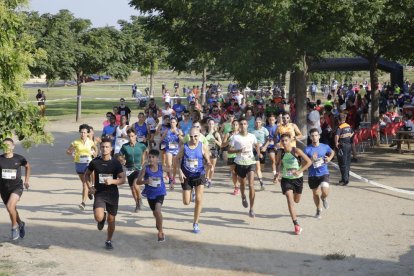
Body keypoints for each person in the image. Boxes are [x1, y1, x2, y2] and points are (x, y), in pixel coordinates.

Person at [84, 138, 126, 250]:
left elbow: (123, 179)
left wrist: (112, 181)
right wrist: (90, 187)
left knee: (111, 220)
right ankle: (101, 219)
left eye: (107, 147)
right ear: (100, 148)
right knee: (98, 217)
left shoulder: (115, 163)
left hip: (112, 194)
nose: (105, 149)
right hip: (100, 193)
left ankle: (108, 240)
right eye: (102, 147)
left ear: (111, 149)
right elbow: (86, 175)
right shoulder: (95, 162)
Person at [175, 127, 211, 233]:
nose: (193, 139)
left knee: (199, 200)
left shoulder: (202, 146)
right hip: (187, 176)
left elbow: (208, 160)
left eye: (195, 136)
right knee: (186, 202)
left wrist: (209, 164)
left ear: (199, 136)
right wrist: (179, 172)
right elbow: (176, 159)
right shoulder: (184, 147)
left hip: (199, 175)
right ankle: (191, 192)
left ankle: (196, 223)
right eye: (191, 136)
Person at [275, 133, 312, 235]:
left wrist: (300, 171)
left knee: (296, 200)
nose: (284, 142)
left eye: (286, 140)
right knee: (289, 199)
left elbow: (309, 162)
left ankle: (295, 217)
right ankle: (296, 224)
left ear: (290, 140)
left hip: (298, 179)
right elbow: (278, 164)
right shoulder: (280, 152)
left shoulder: (296, 151)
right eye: (282, 141)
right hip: (286, 179)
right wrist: (277, 173)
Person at [228, 117, 260, 218]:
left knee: (251, 185)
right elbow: (229, 150)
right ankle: (243, 196)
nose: (243, 126)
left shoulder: (252, 136)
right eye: (241, 124)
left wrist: (258, 154)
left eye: (245, 124)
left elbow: (256, 145)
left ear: (247, 125)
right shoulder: (235, 137)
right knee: (242, 184)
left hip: (251, 162)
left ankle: (251, 209)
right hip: (240, 163)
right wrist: (238, 151)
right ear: (239, 126)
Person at [0, 138, 30, 240]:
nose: (6, 147)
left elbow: (27, 166)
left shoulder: (19, 159)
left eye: (9, 145)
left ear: (13, 146)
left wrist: (26, 181)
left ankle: (14, 227)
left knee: (9, 206)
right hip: (3, 189)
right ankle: (21, 224)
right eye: (4, 145)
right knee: (12, 209)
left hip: (17, 187)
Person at [136, 149, 167, 242]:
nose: (151, 159)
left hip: (160, 192)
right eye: (149, 157)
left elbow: (170, 169)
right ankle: (159, 221)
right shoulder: (146, 169)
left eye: (153, 157)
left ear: (157, 158)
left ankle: (160, 232)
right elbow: (138, 181)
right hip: (150, 194)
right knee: (155, 213)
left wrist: (172, 180)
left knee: (158, 210)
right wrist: (145, 181)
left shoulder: (161, 167)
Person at [304, 128, 335, 219]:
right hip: (312, 175)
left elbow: (332, 152)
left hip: (324, 172)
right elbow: (303, 163)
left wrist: (329, 158)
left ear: (319, 136)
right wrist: (311, 160)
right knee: (315, 194)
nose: (314, 137)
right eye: (312, 136)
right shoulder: (307, 149)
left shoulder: (324, 146)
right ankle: (318, 209)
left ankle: (324, 198)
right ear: (310, 137)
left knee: (325, 191)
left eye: (316, 135)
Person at [66, 124, 97, 210]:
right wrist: (72, 153)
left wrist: (94, 154)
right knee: (86, 183)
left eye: (84, 132)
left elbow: (95, 149)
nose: (83, 134)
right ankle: (91, 191)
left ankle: (83, 202)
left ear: (87, 133)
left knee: (85, 184)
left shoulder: (90, 142)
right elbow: (68, 151)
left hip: (88, 164)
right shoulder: (75, 142)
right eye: (81, 132)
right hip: (79, 164)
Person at [119, 128, 147, 212]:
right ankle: (137, 203)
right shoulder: (125, 146)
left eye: (132, 136)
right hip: (129, 169)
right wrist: (122, 160)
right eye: (129, 136)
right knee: (132, 189)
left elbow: (144, 155)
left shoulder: (141, 145)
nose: (131, 138)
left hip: (138, 168)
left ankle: (139, 200)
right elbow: (120, 156)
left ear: (136, 136)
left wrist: (142, 165)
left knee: (136, 185)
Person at [160, 117, 183, 190]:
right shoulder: (167, 130)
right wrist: (160, 144)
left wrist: (178, 134)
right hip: (169, 149)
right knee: (169, 164)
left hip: (176, 150)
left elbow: (183, 140)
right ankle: (170, 178)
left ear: (176, 123)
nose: (172, 123)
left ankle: (173, 178)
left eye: (174, 122)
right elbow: (161, 138)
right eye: (171, 122)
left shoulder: (179, 130)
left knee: (175, 166)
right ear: (170, 123)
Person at [335, 113, 354, 186]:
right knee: (347, 163)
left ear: (339, 120)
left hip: (342, 146)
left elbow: (337, 135)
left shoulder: (340, 127)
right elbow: (352, 134)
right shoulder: (349, 126)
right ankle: (346, 178)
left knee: (342, 163)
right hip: (349, 145)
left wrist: (336, 143)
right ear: (345, 119)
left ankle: (344, 180)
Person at [222, 120, 240, 195]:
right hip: (231, 155)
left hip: (240, 155)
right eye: (233, 125)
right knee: (233, 172)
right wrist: (228, 142)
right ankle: (236, 187)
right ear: (231, 126)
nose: (235, 126)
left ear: (238, 126)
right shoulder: (228, 134)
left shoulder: (241, 134)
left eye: (236, 124)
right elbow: (222, 145)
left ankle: (240, 185)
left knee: (240, 172)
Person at [251, 116, 269, 190]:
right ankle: (261, 183)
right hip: (253, 150)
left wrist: (265, 147)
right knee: (257, 167)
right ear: (254, 122)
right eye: (256, 122)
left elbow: (269, 140)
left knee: (261, 167)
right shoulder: (251, 130)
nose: (258, 124)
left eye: (259, 122)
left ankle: (257, 175)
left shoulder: (264, 130)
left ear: (261, 123)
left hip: (262, 149)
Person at [204, 118, 222, 188]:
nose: (211, 125)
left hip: (214, 151)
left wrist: (215, 141)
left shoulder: (216, 133)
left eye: (212, 124)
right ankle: (206, 178)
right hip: (207, 151)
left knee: (212, 167)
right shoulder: (205, 133)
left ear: (214, 125)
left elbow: (221, 144)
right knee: (208, 165)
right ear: (208, 124)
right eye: (210, 124)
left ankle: (210, 180)